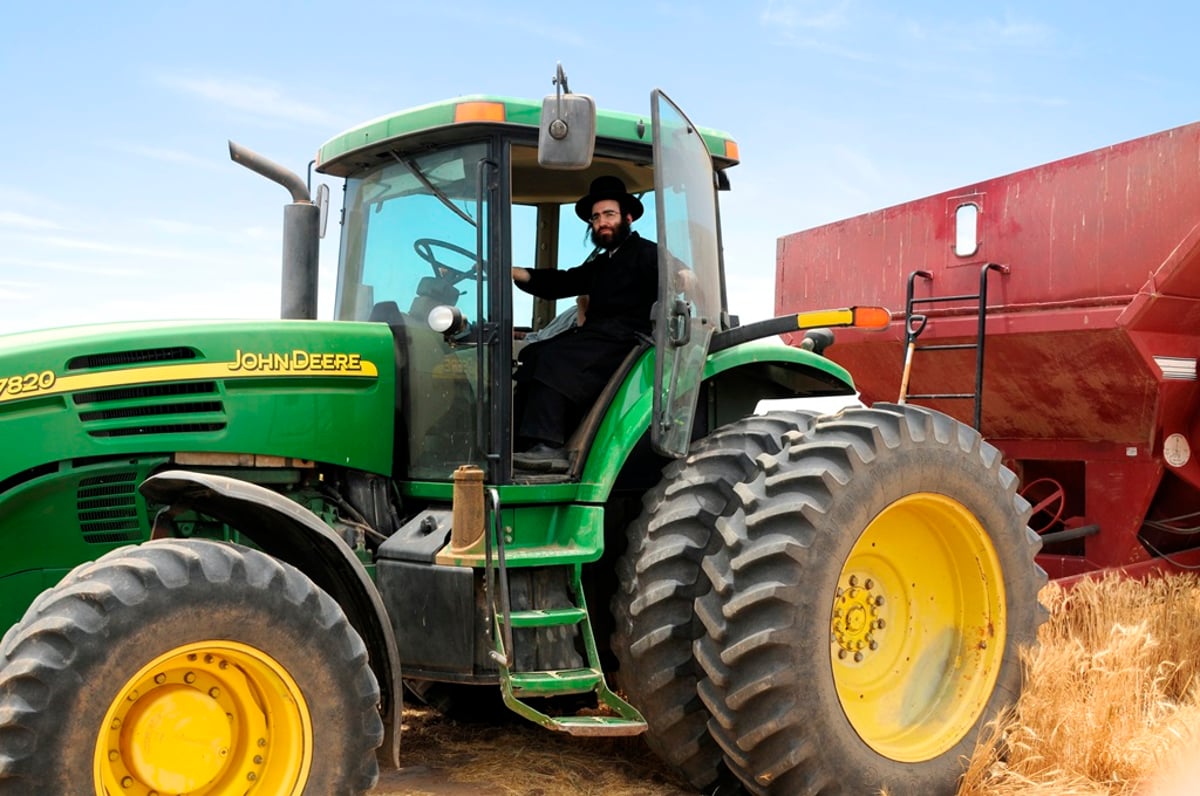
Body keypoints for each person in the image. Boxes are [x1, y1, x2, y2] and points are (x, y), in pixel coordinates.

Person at [511, 176, 657, 471]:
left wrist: (685, 280)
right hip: (598, 336)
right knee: (532, 354)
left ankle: (549, 446)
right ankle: (520, 442)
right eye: (596, 217)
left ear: (627, 217)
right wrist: (513, 272)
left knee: (553, 358)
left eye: (609, 215)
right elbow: (561, 281)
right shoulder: (603, 264)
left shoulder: (648, 253)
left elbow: (679, 278)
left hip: (629, 340)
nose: (601, 222)